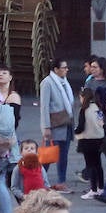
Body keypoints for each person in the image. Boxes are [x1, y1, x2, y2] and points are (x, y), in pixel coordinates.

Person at [39, 59, 74, 191]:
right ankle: (39, 178)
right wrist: (46, 127)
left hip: (66, 122)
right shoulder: (47, 83)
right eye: (64, 68)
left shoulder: (64, 81)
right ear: (56, 69)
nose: (66, 70)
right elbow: (44, 106)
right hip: (55, 124)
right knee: (48, 155)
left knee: (63, 154)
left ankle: (61, 181)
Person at [75, 86, 106, 199]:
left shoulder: (84, 109)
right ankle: (101, 188)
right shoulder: (98, 107)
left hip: (87, 140)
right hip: (99, 139)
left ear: (83, 97)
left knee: (90, 165)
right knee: (98, 165)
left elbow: (81, 127)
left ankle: (93, 189)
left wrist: (75, 132)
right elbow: (102, 123)